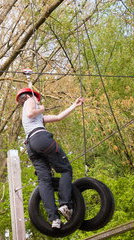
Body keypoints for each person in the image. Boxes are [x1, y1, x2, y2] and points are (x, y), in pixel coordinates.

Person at [16, 87, 84, 229]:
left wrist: (74, 105)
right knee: (65, 169)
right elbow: (30, 113)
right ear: (28, 96)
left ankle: (54, 219)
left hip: (31, 145)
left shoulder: (37, 119)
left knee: (44, 180)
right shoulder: (31, 100)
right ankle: (65, 204)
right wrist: (40, 108)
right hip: (41, 138)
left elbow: (58, 117)